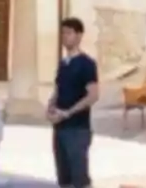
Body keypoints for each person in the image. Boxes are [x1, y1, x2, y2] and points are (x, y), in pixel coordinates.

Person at [48, 18, 99, 188]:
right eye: (62, 33)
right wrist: (50, 108)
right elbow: (57, 90)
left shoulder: (87, 64)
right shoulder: (62, 64)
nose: (64, 37)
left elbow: (93, 95)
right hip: (60, 128)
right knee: (64, 178)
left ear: (79, 36)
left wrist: (68, 112)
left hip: (78, 128)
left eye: (68, 33)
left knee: (80, 178)